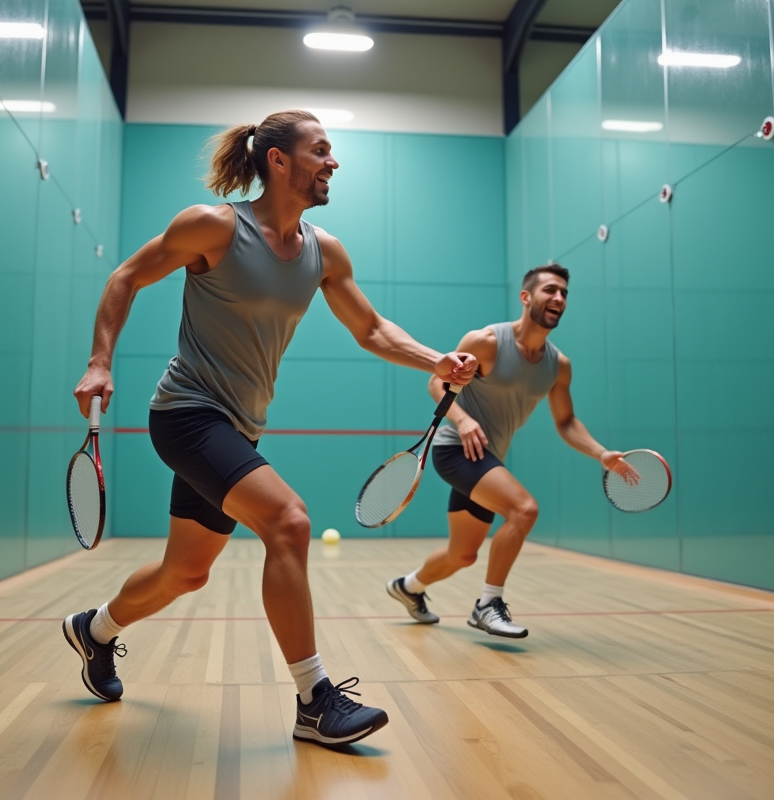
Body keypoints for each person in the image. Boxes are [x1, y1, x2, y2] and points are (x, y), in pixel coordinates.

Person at [66, 110, 476, 749]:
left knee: (186, 572)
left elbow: (369, 328)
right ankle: (314, 700)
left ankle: (93, 630)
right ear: (278, 161)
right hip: (185, 413)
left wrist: (437, 360)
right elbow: (126, 277)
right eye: (320, 151)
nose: (332, 162)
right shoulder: (214, 226)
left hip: (240, 426)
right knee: (289, 520)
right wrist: (99, 360)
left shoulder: (324, 251)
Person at [385, 264, 639, 638]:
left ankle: (407, 588)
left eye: (564, 293)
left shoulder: (558, 366)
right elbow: (437, 383)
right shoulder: (486, 341)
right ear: (526, 297)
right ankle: (488, 605)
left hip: (488, 458)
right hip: (455, 451)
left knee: (463, 555)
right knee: (524, 509)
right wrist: (463, 420)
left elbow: (566, 422)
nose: (559, 298)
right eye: (550, 290)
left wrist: (601, 453)